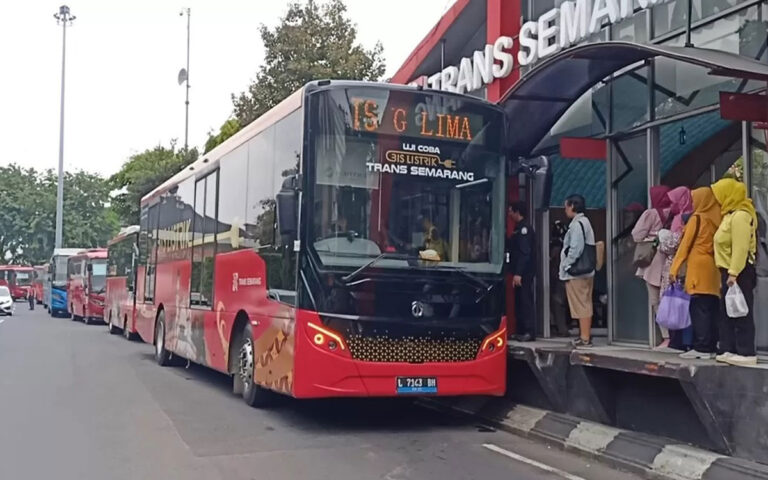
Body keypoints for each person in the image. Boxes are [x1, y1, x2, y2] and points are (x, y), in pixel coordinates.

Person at [669, 187, 721, 359]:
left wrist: (674, 268)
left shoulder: (697, 218)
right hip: (713, 267)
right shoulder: (717, 217)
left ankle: (702, 347)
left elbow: (685, 246)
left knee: (698, 308)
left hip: (698, 266)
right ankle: (712, 345)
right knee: (711, 307)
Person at [711, 178, 758, 367]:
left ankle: (746, 352)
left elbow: (740, 247)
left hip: (739, 271)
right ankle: (730, 348)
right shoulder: (730, 215)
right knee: (729, 311)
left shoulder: (740, 216)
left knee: (741, 310)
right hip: (729, 270)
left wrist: (733, 273)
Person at [631, 185, 672, 349]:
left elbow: (636, 234)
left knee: (656, 300)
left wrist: (651, 236)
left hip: (654, 259)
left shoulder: (651, 213)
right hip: (670, 259)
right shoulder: (674, 213)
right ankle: (676, 336)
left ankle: (666, 337)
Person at [660, 186, 695, 351]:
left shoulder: (681, 218)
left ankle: (678, 340)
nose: (672, 204)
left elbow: (673, 244)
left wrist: (662, 240)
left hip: (677, 265)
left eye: (674, 200)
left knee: (678, 302)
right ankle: (684, 340)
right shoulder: (692, 216)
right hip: (686, 265)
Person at [559, 194, 596, 347]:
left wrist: (567, 265)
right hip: (586, 272)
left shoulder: (577, 224)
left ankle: (585, 338)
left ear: (573, 206)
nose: (565, 209)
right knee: (585, 302)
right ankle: (584, 335)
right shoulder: (584, 222)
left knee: (581, 304)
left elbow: (575, 248)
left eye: (566, 206)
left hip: (578, 272)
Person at [508, 201, 537, 341]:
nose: (509, 213)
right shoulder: (517, 228)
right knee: (518, 301)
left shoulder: (524, 229)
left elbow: (524, 253)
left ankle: (529, 331)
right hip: (517, 272)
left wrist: (519, 273)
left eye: (511, 210)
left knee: (525, 300)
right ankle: (520, 330)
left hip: (524, 272)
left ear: (517, 211)